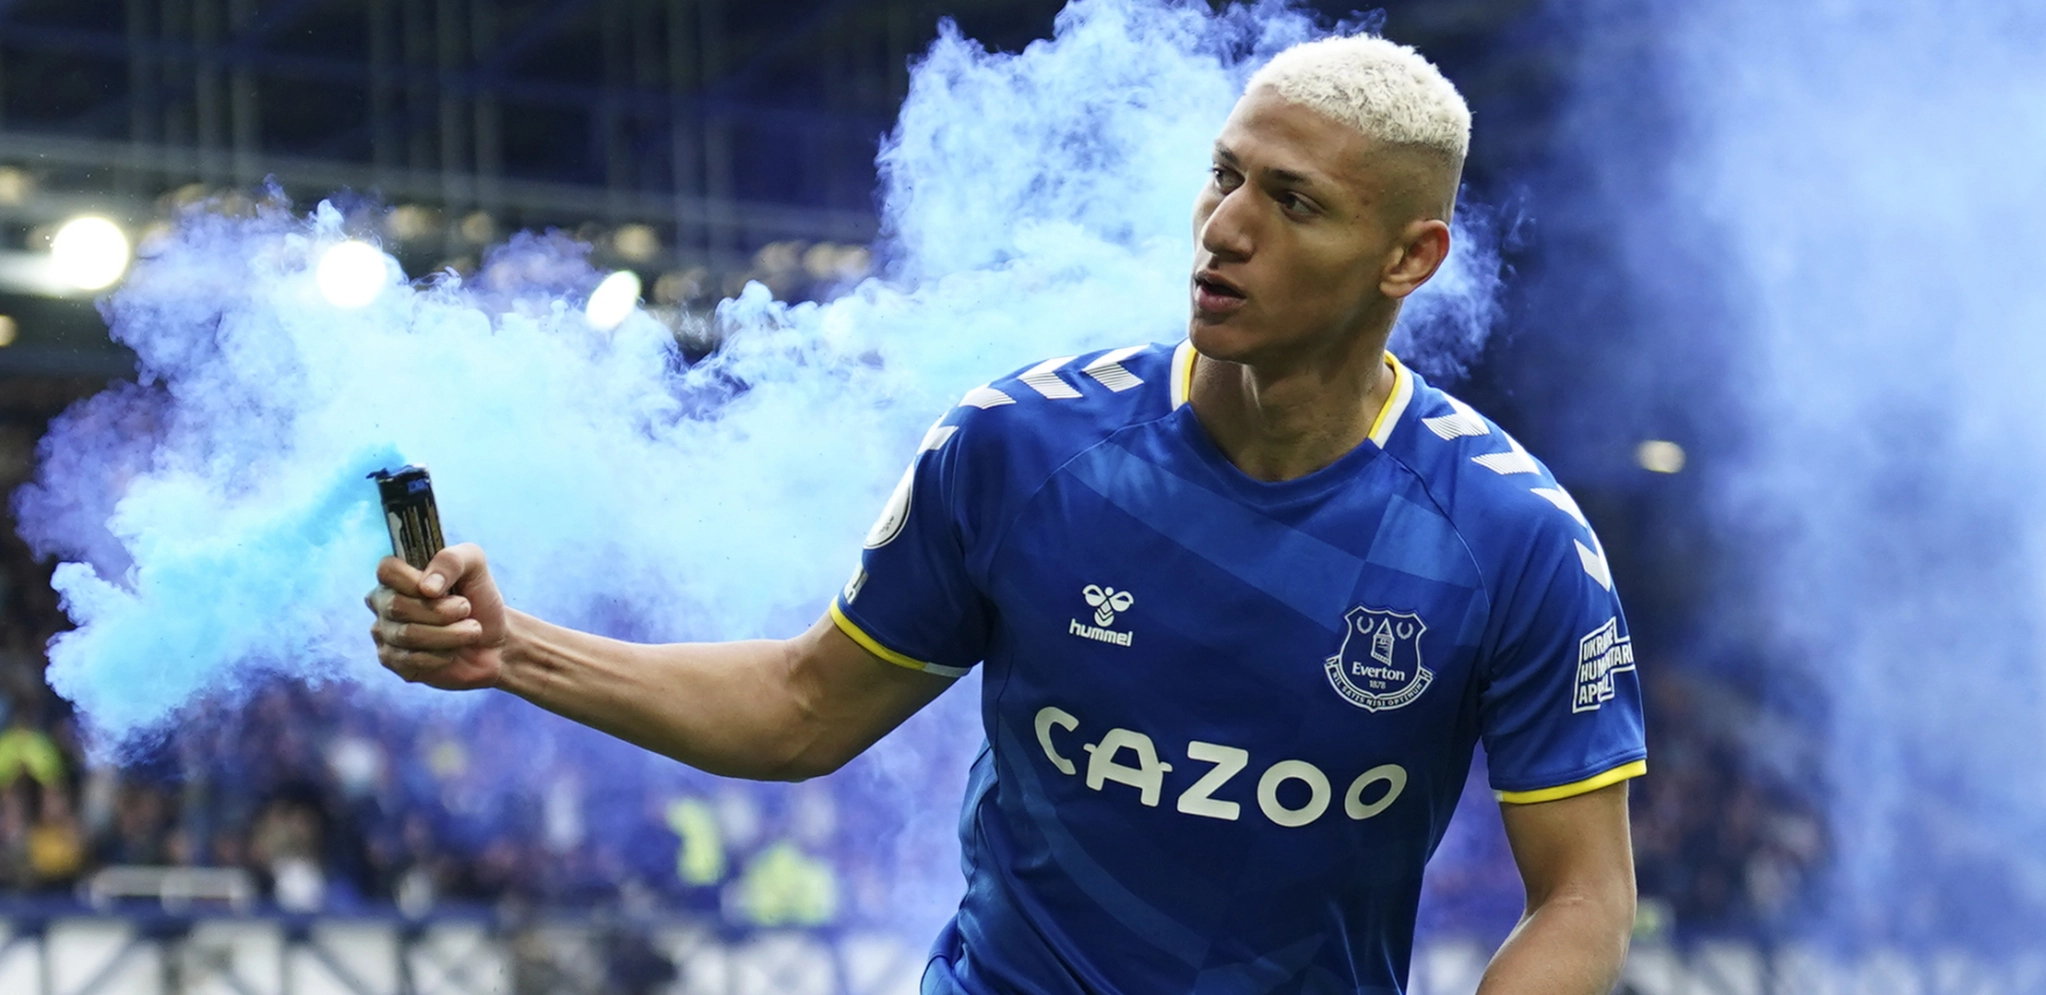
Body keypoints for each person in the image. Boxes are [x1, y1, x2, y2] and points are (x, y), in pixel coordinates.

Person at [368, 33, 1644, 995]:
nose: (1224, 229)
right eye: (1222, 177)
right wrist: (511, 649)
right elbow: (802, 708)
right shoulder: (1019, 446)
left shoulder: (1510, 539)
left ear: (1409, 257)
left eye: (1292, 201)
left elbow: (1584, 895)